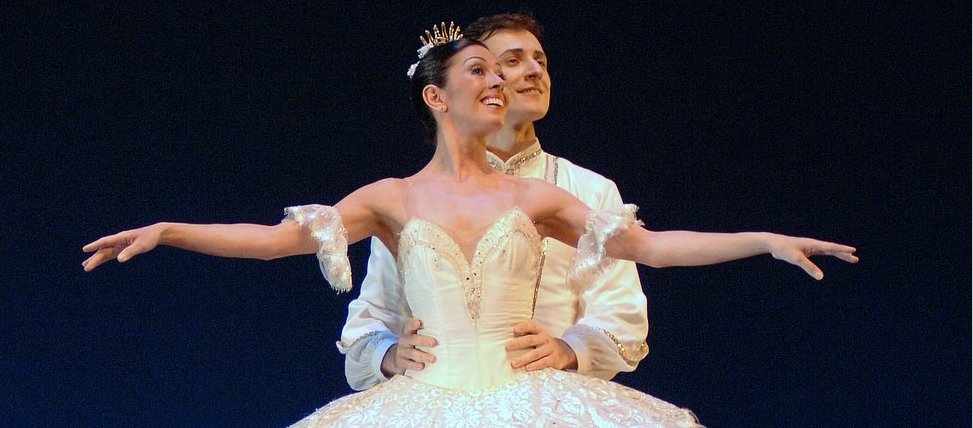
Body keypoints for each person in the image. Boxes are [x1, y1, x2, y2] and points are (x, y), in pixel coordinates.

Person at [82, 23, 857, 427]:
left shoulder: (541, 197)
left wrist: (761, 241)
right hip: (422, 405)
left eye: (505, 71)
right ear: (436, 96)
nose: (500, 84)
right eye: (480, 71)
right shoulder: (391, 197)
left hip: (533, 403)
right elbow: (276, 241)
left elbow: (648, 248)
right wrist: (172, 229)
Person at [340, 12, 650, 391]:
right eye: (511, 62)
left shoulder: (588, 189)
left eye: (541, 61)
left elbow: (622, 307)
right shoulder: (416, 200)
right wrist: (388, 353)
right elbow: (375, 312)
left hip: (549, 401)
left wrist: (568, 349)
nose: (534, 71)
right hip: (441, 399)